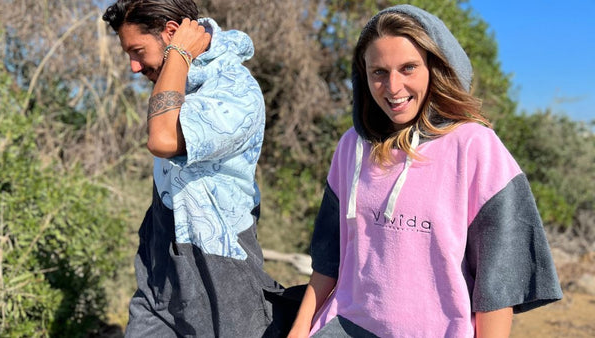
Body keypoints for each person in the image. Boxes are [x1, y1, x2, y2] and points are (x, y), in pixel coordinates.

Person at [288, 4, 563, 338]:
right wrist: (299, 331)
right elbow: (328, 261)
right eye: (378, 72)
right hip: (347, 327)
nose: (393, 87)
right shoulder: (352, 147)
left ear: (435, 66)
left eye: (408, 68)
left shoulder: (475, 146)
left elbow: (497, 282)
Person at [102, 1, 291, 336]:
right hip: (160, 279)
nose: (133, 66)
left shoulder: (233, 89)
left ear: (172, 34)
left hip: (222, 281)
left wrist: (177, 54)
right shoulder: (177, 84)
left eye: (138, 51)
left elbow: (162, 138)